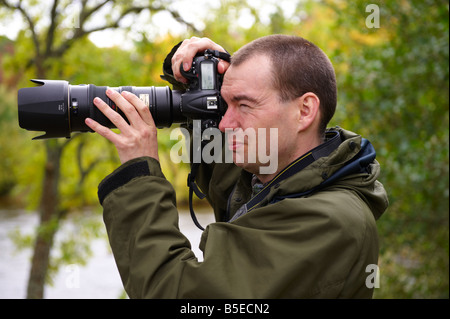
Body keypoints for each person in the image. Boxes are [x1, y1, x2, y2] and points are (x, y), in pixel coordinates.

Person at [85, 35, 389, 298]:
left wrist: (139, 173)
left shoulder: (330, 222)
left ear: (304, 111)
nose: (226, 123)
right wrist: (197, 78)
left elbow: (177, 294)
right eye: (224, 103)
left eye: (244, 105)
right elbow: (227, 181)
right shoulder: (278, 179)